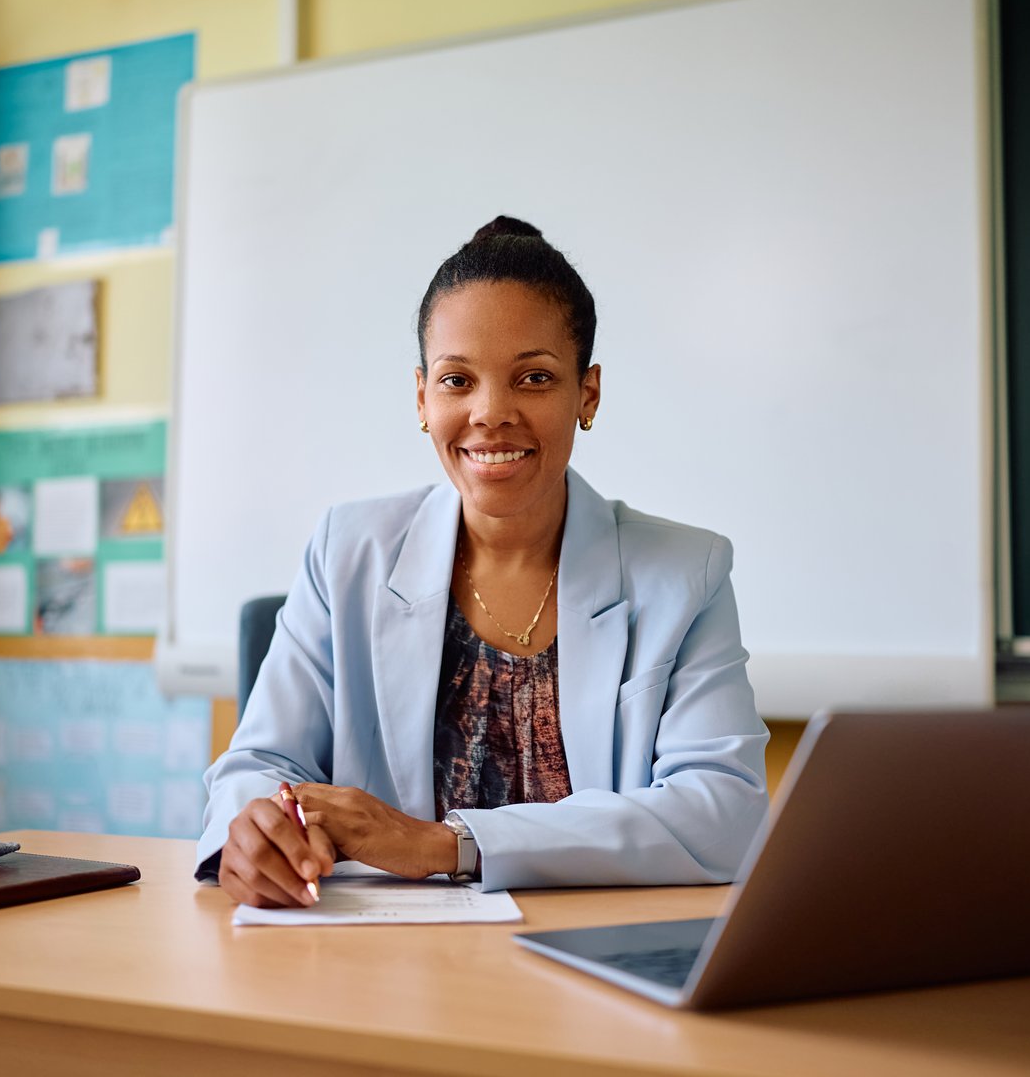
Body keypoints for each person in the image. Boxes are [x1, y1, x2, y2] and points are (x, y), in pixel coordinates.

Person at [199, 217, 768, 908]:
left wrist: (442, 844)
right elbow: (261, 764)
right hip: (382, 969)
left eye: (533, 377)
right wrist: (258, 829)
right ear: (421, 397)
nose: (491, 413)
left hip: (594, 964)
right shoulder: (347, 550)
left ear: (586, 394)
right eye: (456, 380)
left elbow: (722, 814)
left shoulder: (684, 572)